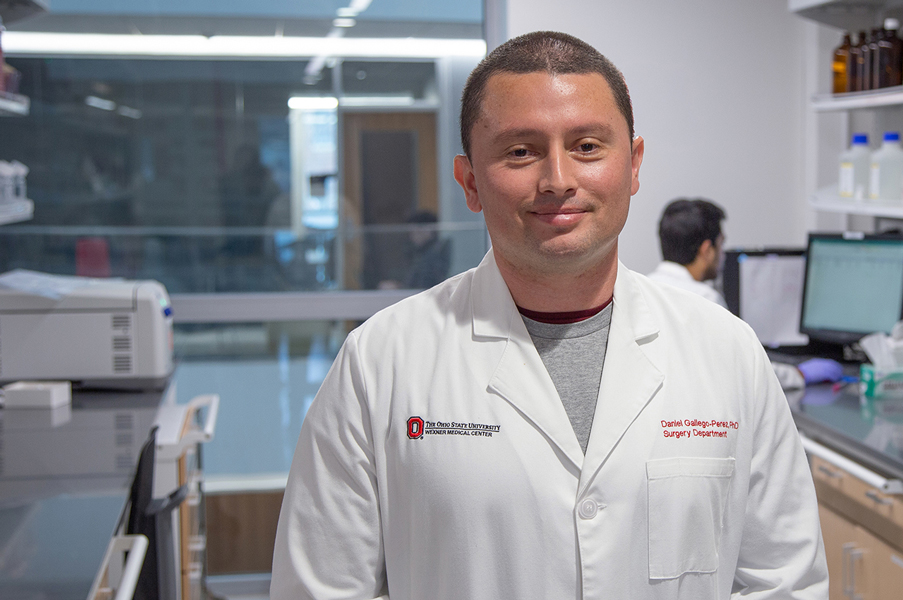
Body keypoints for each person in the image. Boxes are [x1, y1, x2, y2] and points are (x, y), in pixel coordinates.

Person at [270, 31, 828, 600]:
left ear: (633, 166)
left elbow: (783, 583)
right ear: (470, 182)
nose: (558, 179)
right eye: (520, 151)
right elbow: (321, 589)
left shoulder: (727, 351)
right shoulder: (380, 362)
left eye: (587, 146)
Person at [648, 198, 728, 307]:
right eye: (721, 244)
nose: (723, 254)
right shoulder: (707, 300)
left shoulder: (638, 289)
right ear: (707, 250)